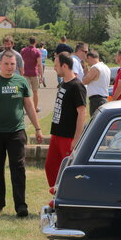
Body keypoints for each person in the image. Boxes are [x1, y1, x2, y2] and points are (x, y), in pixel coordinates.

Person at [0, 50, 43, 217]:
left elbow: (29, 106)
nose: (9, 67)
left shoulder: (21, 81)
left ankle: (21, 205)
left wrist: (38, 128)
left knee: (18, 169)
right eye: (6, 64)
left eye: (12, 64)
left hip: (16, 132)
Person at [46, 52, 86, 188]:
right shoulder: (63, 83)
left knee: (68, 170)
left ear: (64, 66)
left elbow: (82, 113)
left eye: (56, 65)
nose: (54, 68)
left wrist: (77, 138)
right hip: (57, 133)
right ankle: (56, 195)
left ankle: (69, 197)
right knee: (50, 167)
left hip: (68, 137)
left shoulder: (77, 86)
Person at [82, 50, 110, 116]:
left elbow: (85, 81)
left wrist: (85, 73)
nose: (87, 62)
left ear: (90, 58)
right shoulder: (106, 67)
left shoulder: (95, 67)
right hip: (104, 98)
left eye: (87, 60)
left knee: (95, 122)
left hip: (96, 100)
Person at [20, 36, 43, 112]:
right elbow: (39, 64)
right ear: (35, 42)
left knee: (25, 93)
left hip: (25, 73)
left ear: (29, 42)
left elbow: (21, 62)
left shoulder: (23, 50)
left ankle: (24, 108)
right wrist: (41, 76)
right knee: (35, 92)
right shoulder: (37, 51)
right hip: (34, 73)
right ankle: (34, 108)